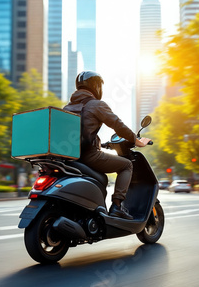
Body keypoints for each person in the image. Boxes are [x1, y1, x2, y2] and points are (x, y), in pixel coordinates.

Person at [63, 71, 151, 219]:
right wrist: (137, 140)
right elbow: (118, 126)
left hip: (70, 157)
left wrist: (101, 143)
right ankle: (117, 206)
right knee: (127, 165)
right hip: (89, 156)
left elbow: (79, 133)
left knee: (102, 178)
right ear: (96, 86)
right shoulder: (96, 105)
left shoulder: (67, 108)